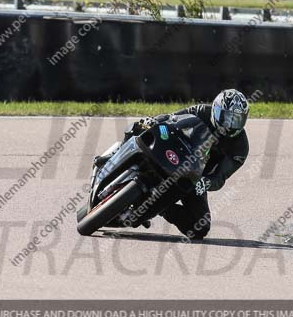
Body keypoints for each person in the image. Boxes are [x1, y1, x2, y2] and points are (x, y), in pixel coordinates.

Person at [94, 89, 249, 239]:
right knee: (140, 126)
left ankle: (162, 208)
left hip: (194, 178)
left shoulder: (240, 148)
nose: (230, 124)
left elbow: (220, 177)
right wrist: (155, 120)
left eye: (236, 119)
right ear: (216, 110)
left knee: (200, 228)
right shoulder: (202, 110)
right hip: (174, 151)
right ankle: (114, 156)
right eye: (227, 117)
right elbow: (172, 118)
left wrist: (206, 183)